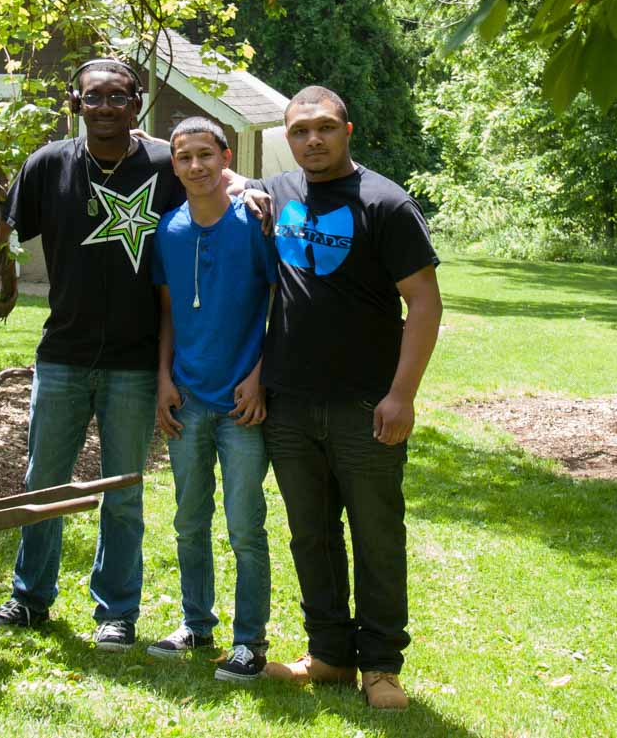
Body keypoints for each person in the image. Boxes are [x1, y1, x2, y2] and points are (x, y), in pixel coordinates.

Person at [0, 58, 189, 651]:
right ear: (75, 102)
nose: (105, 107)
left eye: (118, 97)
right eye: (93, 96)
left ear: (136, 104)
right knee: (43, 482)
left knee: (120, 490)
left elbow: (216, 188)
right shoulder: (50, 165)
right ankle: (29, 599)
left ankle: (117, 611)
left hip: (134, 358)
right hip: (64, 356)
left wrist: (253, 195)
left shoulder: (163, 165)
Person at [243, 85, 442, 710]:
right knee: (311, 534)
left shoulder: (386, 203)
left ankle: (381, 664)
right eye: (300, 131)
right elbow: (201, 165)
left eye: (324, 128)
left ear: (347, 130)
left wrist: (401, 395)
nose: (313, 140)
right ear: (287, 136)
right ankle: (328, 655)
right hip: (290, 405)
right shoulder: (275, 195)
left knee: (377, 535)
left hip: (366, 406)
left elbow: (426, 303)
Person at [147, 118, 276, 682]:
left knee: (245, 524)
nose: (196, 166)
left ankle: (250, 641)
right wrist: (163, 378)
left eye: (206, 155)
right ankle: (196, 622)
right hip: (188, 398)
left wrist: (261, 374)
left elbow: (283, 302)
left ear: (226, 157)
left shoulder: (253, 222)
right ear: (173, 165)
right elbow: (169, 311)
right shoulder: (168, 230)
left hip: (242, 402)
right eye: (184, 157)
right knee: (189, 518)